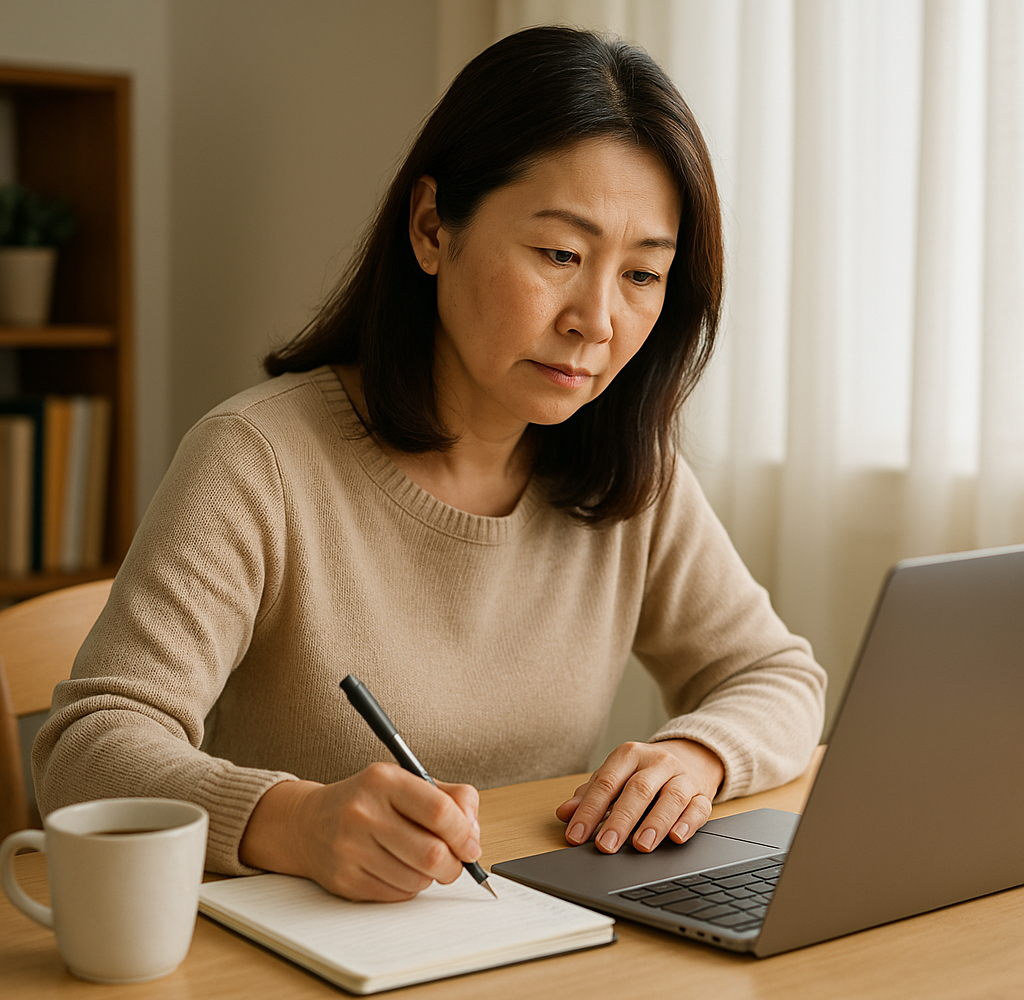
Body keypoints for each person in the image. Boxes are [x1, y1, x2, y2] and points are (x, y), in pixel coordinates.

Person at [33, 26, 826, 903]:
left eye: (643, 275)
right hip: (300, 952)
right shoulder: (258, 460)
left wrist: (699, 753)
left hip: (531, 938)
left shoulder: (631, 472)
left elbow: (777, 677)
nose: (596, 320)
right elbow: (87, 746)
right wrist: (293, 820)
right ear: (430, 228)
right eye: (560, 255)